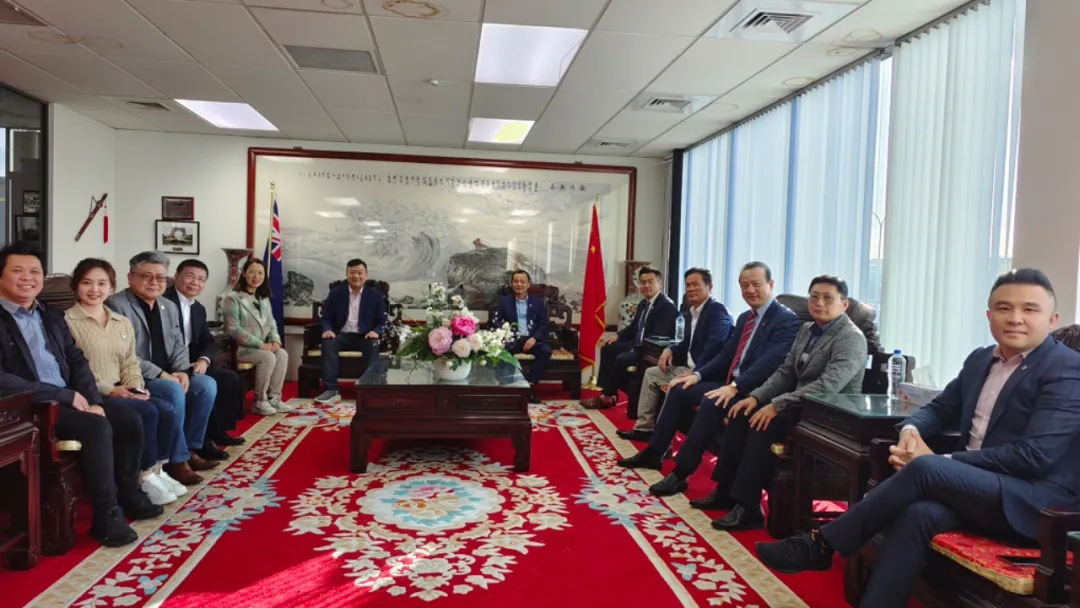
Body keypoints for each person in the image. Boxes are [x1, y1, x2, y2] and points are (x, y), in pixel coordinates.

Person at [757, 269, 1080, 608]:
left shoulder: (1067, 369)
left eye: (1029, 309)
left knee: (925, 469)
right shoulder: (981, 359)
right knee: (918, 514)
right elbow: (939, 409)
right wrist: (911, 432)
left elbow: (1034, 456)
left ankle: (820, 544)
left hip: (1033, 503)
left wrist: (942, 463)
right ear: (989, 316)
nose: (1015, 318)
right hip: (976, 491)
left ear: (1052, 319)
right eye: (1004, 308)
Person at [0, 242, 160, 547]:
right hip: (29, 407)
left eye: (35, 272)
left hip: (68, 398)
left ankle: (128, 492)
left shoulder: (49, 315)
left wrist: (94, 400)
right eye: (17, 271)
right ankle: (105, 514)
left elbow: (76, 361)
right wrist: (61, 395)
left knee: (127, 419)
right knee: (96, 426)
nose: (28, 278)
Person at [618, 262, 801, 497]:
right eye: (744, 285)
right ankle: (655, 452)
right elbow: (726, 355)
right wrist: (698, 375)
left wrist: (735, 387)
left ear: (771, 284)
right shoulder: (746, 317)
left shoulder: (786, 320)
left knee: (710, 401)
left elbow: (769, 363)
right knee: (680, 389)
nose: (750, 290)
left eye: (756, 284)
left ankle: (681, 473)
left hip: (754, 390)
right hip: (728, 382)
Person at [65, 258, 184, 506]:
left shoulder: (121, 322)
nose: (95, 289)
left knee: (166, 409)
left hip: (123, 388)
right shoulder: (67, 322)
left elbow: (130, 362)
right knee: (148, 411)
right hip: (93, 393)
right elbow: (73, 368)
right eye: (87, 283)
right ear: (76, 286)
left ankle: (158, 470)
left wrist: (135, 386)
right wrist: (112, 390)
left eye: (102, 283)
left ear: (111, 287)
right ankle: (144, 476)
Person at [108, 251, 221, 486]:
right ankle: (177, 461)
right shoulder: (117, 305)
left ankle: (190, 448)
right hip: (136, 375)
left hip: (169, 372)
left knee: (206, 385)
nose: (154, 282)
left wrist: (183, 371)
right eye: (146, 276)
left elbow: (179, 344)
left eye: (160, 277)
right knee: (172, 389)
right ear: (130, 277)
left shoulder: (167, 306)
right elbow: (123, 353)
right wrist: (162, 374)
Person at [616, 267, 733, 441]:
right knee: (651, 373)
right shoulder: (693, 311)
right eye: (688, 285)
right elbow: (686, 342)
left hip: (707, 373)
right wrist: (669, 349)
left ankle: (663, 442)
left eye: (696, 284)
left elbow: (714, 348)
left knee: (674, 385)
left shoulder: (717, 311)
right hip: (689, 368)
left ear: (710, 287)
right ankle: (644, 429)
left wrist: (695, 372)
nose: (691, 289)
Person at [164, 259, 247, 444]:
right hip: (169, 364)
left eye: (201, 279)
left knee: (230, 379)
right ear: (176, 276)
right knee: (208, 384)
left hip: (194, 363)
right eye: (190, 276)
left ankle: (219, 432)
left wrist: (204, 360)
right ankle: (203, 441)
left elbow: (207, 341)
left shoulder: (198, 308)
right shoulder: (163, 302)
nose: (195, 283)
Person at [581, 266, 678, 410]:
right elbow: (633, 328)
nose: (646, 286)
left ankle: (606, 396)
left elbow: (659, 337)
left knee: (622, 359)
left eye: (650, 282)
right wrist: (617, 336)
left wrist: (635, 348)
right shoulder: (644, 303)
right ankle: (609, 394)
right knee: (608, 347)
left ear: (659, 283)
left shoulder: (666, 306)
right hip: (638, 345)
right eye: (643, 282)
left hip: (652, 351)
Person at [314, 258, 388, 404]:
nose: (356, 276)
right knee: (328, 343)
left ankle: (368, 390)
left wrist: (376, 331)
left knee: (373, 343)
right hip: (341, 335)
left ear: (366, 275)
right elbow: (325, 317)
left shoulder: (375, 296)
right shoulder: (336, 293)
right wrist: (327, 329)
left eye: (360, 273)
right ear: (347, 274)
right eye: (352, 272)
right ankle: (331, 390)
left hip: (365, 336)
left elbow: (383, 320)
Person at [222, 258, 290, 415]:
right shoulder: (232, 298)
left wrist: (275, 340)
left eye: (260, 273)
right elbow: (233, 328)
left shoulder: (263, 299)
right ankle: (259, 401)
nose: (256, 276)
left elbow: (272, 323)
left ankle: (274, 398)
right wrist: (260, 344)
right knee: (268, 357)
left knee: (282, 354)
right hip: (241, 349)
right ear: (244, 273)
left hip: (261, 348)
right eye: (252, 272)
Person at [492, 270, 550, 404]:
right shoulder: (504, 302)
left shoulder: (537, 302)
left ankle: (529, 386)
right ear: (512, 284)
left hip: (531, 339)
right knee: (502, 352)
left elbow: (544, 324)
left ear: (528, 284)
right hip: (513, 339)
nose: (519, 284)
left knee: (545, 351)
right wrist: (505, 334)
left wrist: (534, 338)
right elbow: (496, 322)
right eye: (516, 281)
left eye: (522, 282)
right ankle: (511, 387)